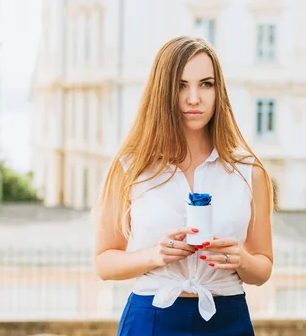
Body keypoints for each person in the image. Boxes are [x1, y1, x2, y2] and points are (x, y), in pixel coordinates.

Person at [94, 36, 274, 336]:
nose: (194, 98)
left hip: (227, 318)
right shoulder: (130, 168)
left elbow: (263, 268)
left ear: (219, 91)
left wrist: (240, 260)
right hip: (151, 319)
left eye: (206, 84)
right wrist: (155, 255)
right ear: (163, 91)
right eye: (181, 85)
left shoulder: (248, 171)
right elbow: (104, 262)